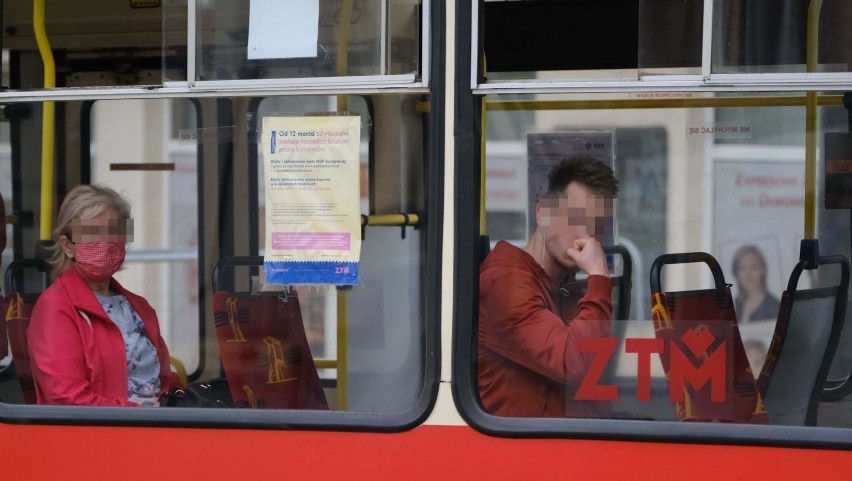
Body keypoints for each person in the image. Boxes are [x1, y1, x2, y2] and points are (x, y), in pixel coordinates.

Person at [478, 155, 618, 417]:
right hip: (521, 451)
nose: (586, 234)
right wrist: (599, 276)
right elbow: (575, 364)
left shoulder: (565, 289)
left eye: (597, 224)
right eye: (576, 218)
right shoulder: (506, 284)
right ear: (543, 213)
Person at [27, 184, 183, 406]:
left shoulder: (139, 307)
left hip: (155, 428)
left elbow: (167, 379)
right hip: (102, 433)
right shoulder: (56, 308)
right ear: (68, 246)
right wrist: (140, 416)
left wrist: (172, 405)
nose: (107, 245)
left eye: (115, 234)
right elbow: (66, 397)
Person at [732, 244, 780, 323]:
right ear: (736, 273)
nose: (748, 274)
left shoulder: (775, 307)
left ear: (763, 270)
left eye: (754, 267)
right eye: (742, 268)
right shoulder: (734, 305)